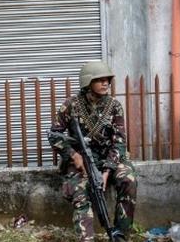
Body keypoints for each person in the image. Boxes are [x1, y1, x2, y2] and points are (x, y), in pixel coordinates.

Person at [48, 61, 137, 242]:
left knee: (129, 179)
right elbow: (54, 134)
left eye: (107, 80)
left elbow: (119, 142)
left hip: (108, 158)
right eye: (100, 80)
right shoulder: (71, 105)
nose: (106, 83)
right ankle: (86, 238)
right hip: (80, 161)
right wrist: (73, 155)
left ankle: (120, 234)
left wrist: (107, 171)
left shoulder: (114, 106)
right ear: (87, 82)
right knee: (80, 192)